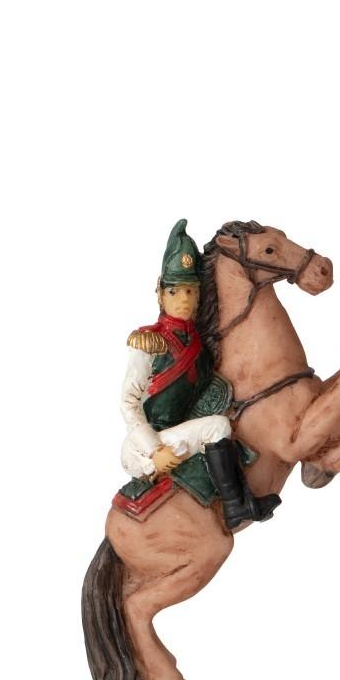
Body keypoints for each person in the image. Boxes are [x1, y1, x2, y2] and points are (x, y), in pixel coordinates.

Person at [120, 219, 280, 529]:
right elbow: (128, 404)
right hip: (145, 445)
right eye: (174, 291)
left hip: (179, 433)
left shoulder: (197, 343)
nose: (183, 299)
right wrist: (154, 451)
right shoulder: (149, 343)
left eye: (190, 291)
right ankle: (235, 507)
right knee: (218, 427)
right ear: (160, 294)